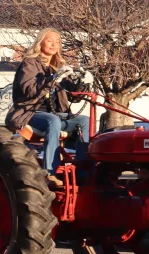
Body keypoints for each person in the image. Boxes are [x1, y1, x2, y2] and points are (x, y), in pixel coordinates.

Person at [6, 28, 90, 186]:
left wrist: (82, 85)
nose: (54, 44)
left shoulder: (59, 66)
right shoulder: (29, 64)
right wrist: (52, 79)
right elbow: (29, 91)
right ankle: (50, 172)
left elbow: (72, 96)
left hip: (56, 115)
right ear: (41, 42)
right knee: (53, 121)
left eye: (57, 42)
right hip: (30, 113)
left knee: (84, 120)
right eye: (49, 40)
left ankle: (83, 172)